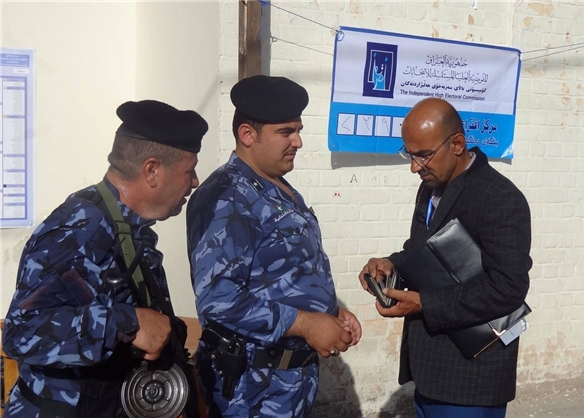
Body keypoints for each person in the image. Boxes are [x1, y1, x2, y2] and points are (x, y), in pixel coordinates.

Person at [2, 100, 208, 418]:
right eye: (189, 170)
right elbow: (21, 332)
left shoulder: (126, 226)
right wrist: (125, 323)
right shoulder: (81, 229)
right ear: (152, 170)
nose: (194, 182)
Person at [186, 75, 361, 418]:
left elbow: (286, 273)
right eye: (286, 132)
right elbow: (218, 300)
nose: (298, 141)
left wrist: (330, 312)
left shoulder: (279, 187)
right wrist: (307, 324)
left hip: (291, 381)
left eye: (298, 130)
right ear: (247, 135)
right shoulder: (226, 198)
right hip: (250, 388)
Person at [359, 98, 532, 418]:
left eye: (424, 155)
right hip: (430, 371)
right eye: (409, 154)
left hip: (471, 380)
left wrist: (424, 303)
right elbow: (421, 251)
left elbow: (508, 286)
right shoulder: (430, 188)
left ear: (457, 144)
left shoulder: (499, 196)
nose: (414, 167)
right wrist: (391, 264)